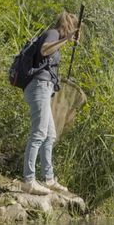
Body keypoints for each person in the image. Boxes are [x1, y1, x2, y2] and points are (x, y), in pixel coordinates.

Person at [21, 11, 80, 195]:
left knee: (50, 135)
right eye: (73, 28)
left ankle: (48, 179)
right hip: (38, 86)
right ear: (67, 26)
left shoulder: (56, 37)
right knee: (39, 133)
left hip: (44, 88)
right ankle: (29, 181)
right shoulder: (53, 33)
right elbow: (45, 50)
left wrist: (67, 41)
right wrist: (67, 39)